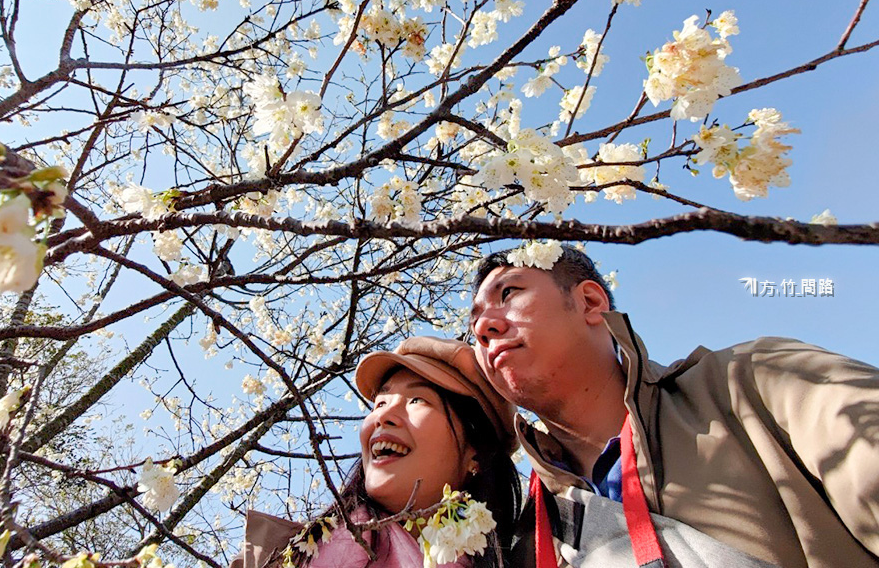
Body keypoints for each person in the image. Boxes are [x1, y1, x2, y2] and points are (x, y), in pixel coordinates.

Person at [468, 245, 879, 568]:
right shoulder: (528, 536)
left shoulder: (756, 383)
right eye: (475, 322)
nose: (485, 327)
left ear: (591, 303)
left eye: (509, 294)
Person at [231, 337, 522, 568]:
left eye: (417, 400)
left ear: (475, 453)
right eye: (379, 404)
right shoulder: (282, 556)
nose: (384, 416)